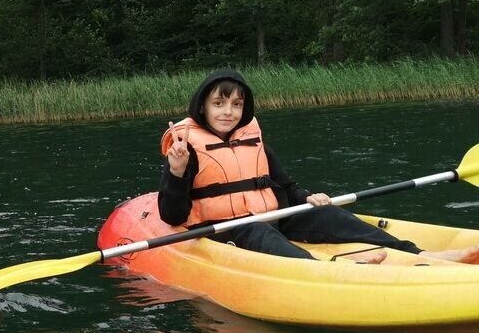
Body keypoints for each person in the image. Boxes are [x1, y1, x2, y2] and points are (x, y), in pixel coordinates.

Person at [159, 69, 479, 264]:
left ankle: (420, 254)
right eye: (218, 104)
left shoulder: (255, 143)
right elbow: (172, 216)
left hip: (273, 219)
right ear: (203, 107)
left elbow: (286, 188)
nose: (228, 112)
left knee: (326, 214)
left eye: (236, 104)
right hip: (227, 230)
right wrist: (177, 171)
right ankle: (328, 269)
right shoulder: (186, 150)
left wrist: (307, 198)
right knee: (257, 230)